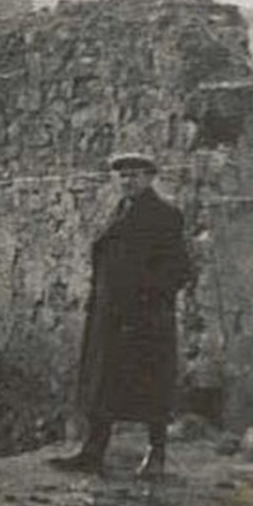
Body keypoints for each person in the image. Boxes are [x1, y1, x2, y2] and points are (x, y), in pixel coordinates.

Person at [50, 152, 194, 480]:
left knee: (152, 387)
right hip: (109, 316)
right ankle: (92, 451)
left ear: (149, 177)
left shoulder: (164, 215)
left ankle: (156, 456)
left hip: (145, 319)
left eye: (134, 175)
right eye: (122, 176)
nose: (127, 181)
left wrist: (145, 300)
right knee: (103, 383)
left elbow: (179, 270)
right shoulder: (119, 211)